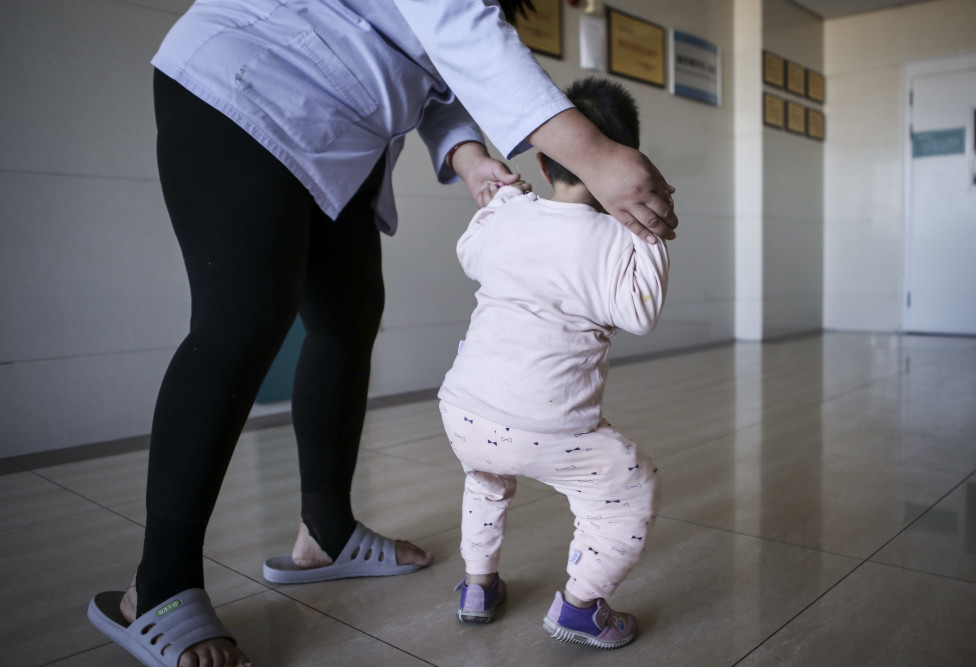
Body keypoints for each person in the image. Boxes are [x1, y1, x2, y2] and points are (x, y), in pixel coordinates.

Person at [86, 1, 678, 665]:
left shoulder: (511, 222)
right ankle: (159, 584)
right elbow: (454, 24)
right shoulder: (599, 233)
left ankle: (327, 531)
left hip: (341, 137)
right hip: (249, 84)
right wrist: (596, 154)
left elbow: (435, 70)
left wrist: (468, 155)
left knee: (347, 318)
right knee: (244, 319)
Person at [439, 77, 670, 649]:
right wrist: (653, 229)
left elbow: (469, 255)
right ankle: (580, 605)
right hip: (546, 426)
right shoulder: (620, 240)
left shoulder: (513, 213)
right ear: (624, 163)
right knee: (629, 487)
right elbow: (639, 313)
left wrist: (501, 202)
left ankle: (477, 586)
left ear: (544, 164)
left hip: (463, 410)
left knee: (486, 483)